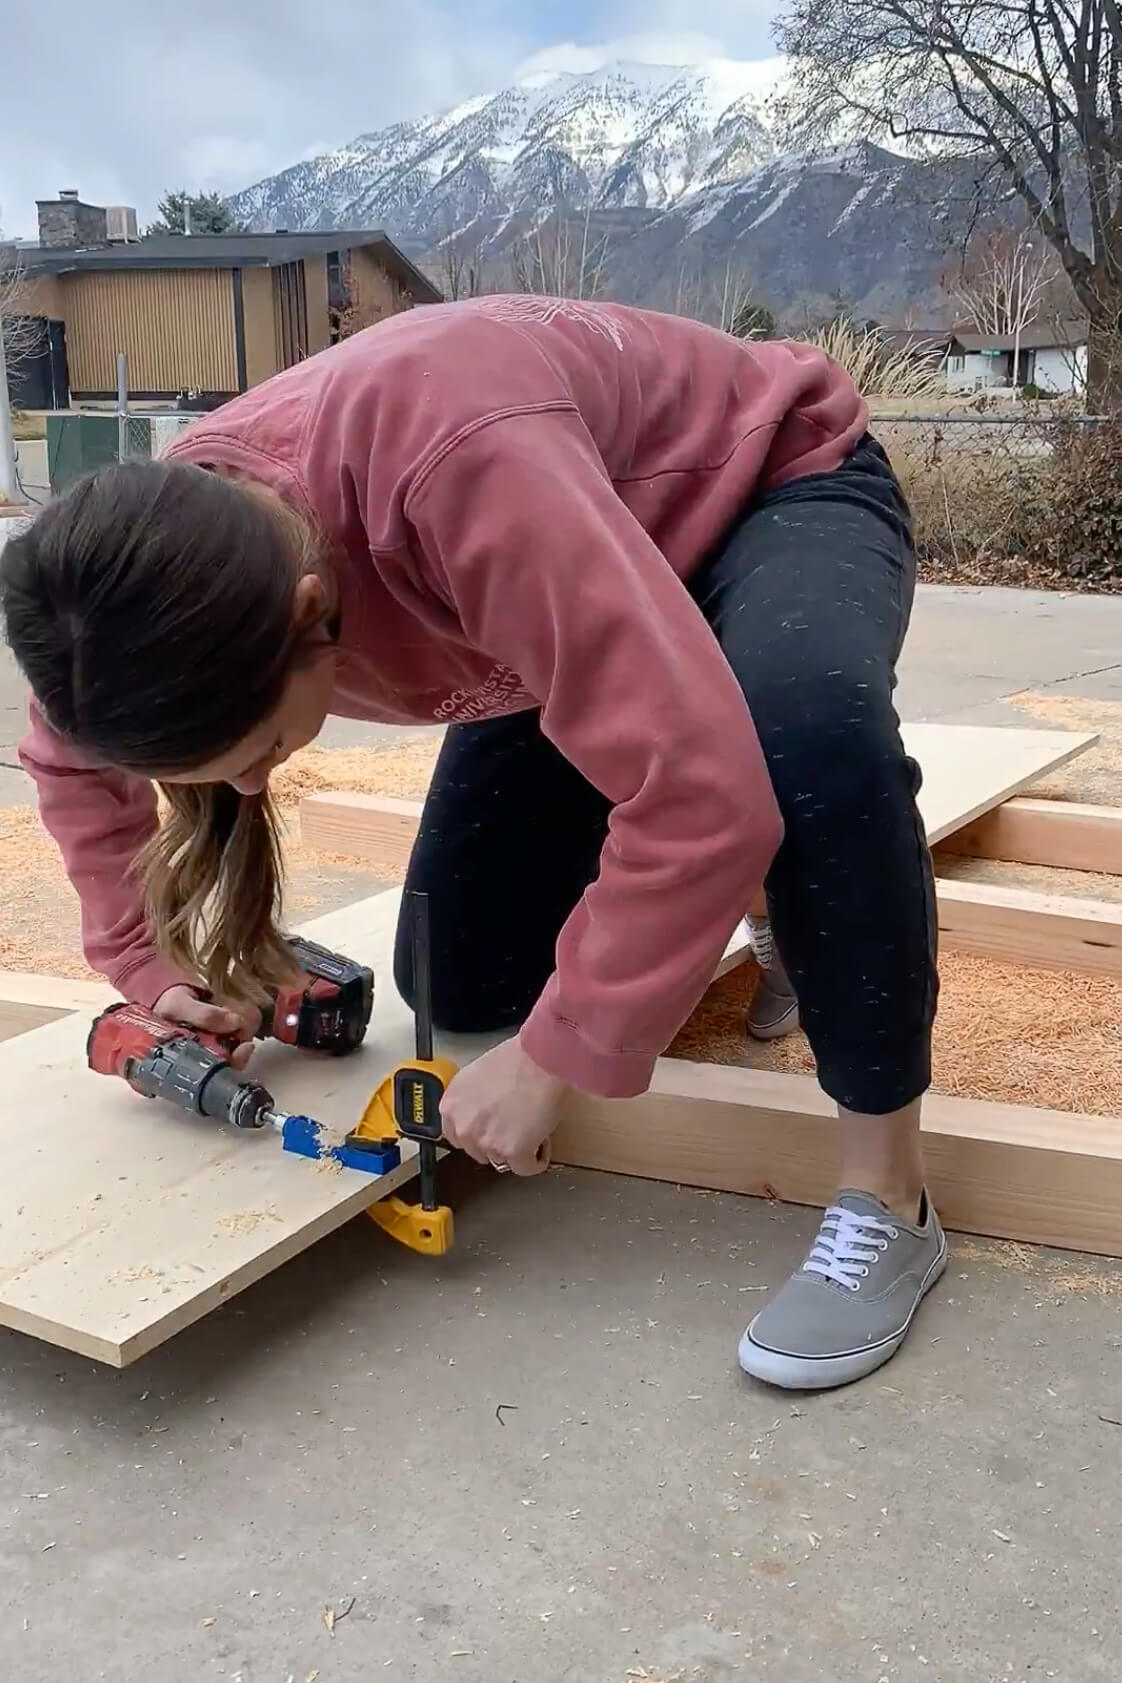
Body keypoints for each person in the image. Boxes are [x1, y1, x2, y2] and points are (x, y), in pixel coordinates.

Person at [0, 295, 945, 1390]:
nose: (254, 783)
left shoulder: (452, 474)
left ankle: (892, 1198)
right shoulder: (134, 596)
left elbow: (699, 795)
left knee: (804, 743)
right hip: (561, 587)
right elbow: (70, 761)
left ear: (312, 611)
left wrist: (558, 1056)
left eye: (258, 747)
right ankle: (744, 886)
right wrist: (147, 966)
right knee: (467, 980)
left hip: (760, 493)